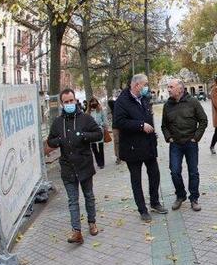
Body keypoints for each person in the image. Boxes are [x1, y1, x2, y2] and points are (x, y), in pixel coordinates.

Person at [45, 88, 102, 243]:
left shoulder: (85, 118)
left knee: (89, 196)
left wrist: (84, 136)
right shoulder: (58, 122)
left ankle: (92, 223)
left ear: (75, 100)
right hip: (68, 167)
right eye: (66, 102)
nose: (69, 104)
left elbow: (99, 134)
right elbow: (50, 141)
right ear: (62, 104)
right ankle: (76, 231)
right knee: (72, 200)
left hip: (84, 165)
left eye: (71, 101)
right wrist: (58, 141)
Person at [113, 74, 168, 223]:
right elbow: (119, 122)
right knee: (136, 179)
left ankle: (155, 203)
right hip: (132, 148)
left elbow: (148, 118)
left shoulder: (144, 99)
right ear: (136, 85)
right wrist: (141, 125)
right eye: (145, 84)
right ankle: (142, 209)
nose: (147, 87)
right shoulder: (122, 101)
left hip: (148, 146)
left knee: (154, 175)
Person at [161, 78, 207, 212]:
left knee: (193, 172)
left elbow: (203, 121)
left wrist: (196, 138)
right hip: (175, 144)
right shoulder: (167, 105)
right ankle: (180, 196)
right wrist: (168, 137)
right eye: (168, 87)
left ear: (180, 88)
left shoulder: (193, 102)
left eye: (171, 87)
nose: (168, 89)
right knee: (175, 171)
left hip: (191, 143)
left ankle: (194, 198)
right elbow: (164, 126)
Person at [87, 97, 107, 169]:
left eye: (95, 102)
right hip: (91, 132)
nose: (94, 104)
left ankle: (102, 163)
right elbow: (86, 123)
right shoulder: (88, 113)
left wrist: (102, 125)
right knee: (94, 148)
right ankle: (98, 162)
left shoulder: (100, 110)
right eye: (92, 102)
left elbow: (104, 119)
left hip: (99, 130)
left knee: (101, 147)